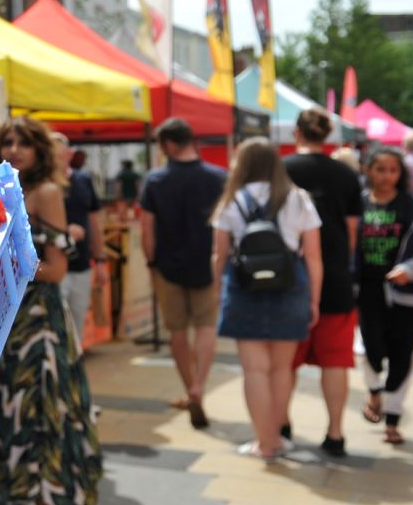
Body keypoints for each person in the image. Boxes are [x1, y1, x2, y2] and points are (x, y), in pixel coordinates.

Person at [0, 115, 101, 505]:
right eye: (7, 141)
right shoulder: (0, 194)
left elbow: (58, 269)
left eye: (24, 142)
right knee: (15, 416)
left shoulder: (47, 193)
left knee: (48, 421)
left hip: (42, 324)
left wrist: (5, 267)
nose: (15, 149)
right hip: (12, 324)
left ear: (40, 149)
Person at [211, 138, 323, 460]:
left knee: (255, 371)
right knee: (281, 369)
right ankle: (276, 435)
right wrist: (313, 300)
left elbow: (219, 254)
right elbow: (313, 257)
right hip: (291, 287)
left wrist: (218, 290)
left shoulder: (231, 201)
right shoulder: (299, 199)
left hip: (244, 289)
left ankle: (265, 442)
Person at [284, 109, 363, 456]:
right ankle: (335, 434)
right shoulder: (345, 174)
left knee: (285, 361)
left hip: (289, 279)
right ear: (328, 135)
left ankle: (281, 424)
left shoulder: (282, 170)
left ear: (296, 132)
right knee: (335, 361)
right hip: (334, 278)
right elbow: (351, 232)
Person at [138, 118, 227, 429]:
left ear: (170, 145)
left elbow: (147, 230)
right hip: (208, 263)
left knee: (177, 331)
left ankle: (189, 387)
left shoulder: (155, 180)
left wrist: (150, 263)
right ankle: (199, 386)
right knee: (206, 327)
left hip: (167, 266)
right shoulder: (219, 177)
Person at [354, 147, 413, 446]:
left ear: (400, 173)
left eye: (393, 170)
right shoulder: (359, 203)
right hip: (367, 290)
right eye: (380, 169)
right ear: (369, 171)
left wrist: (409, 270)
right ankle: (375, 391)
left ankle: (392, 419)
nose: (387, 176)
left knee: (403, 356)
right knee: (369, 349)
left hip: (405, 294)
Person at [51, 131, 104, 347]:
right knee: (57, 326)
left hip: (81, 264)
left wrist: (100, 259)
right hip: (56, 266)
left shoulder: (83, 179)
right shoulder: (44, 185)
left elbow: (94, 221)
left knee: (77, 324)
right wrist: (63, 230)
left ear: (69, 154)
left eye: (60, 153)